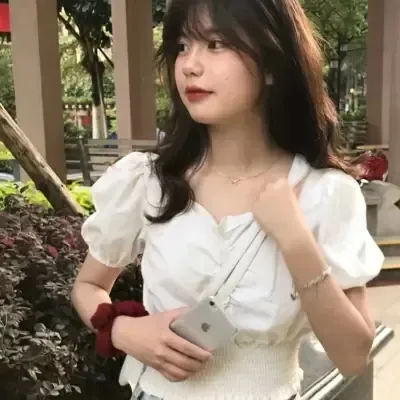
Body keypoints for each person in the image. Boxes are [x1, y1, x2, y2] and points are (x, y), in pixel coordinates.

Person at [72, 1, 384, 399]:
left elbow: (353, 356)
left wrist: (295, 240)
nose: (189, 65)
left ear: (272, 64)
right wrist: (123, 330)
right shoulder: (150, 181)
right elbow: (88, 286)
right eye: (182, 46)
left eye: (216, 44)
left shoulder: (324, 193)